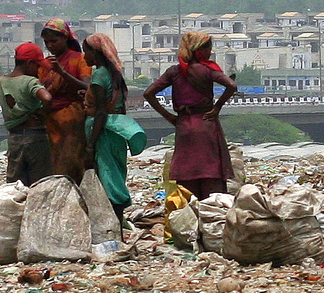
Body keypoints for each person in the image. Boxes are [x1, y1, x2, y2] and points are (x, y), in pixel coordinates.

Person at [144, 31, 237, 200]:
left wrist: (169, 116)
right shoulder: (208, 70)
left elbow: (149, 93)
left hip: (184, 126)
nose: (210, 52)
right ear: (198, 50)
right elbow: (231, 85)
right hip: (206, 124)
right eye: (208, 48)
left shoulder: (175, 71)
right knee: (212, 173)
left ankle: (190, 214)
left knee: (187, 175)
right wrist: (217, 108)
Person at [82, 34, 147, 226]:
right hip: (117, 129)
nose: (84, 57)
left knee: (108, 176)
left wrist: (90, 145)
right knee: (117, 173)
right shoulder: (116, 74)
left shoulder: (100, 75)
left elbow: (101, 112)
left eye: (86, 52)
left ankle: (114, 222)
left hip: (103, 132)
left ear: (95, 53)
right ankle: (118, 220)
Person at [38, 18, 91, 184]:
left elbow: (87, 86)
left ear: (65, 38)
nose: (50, 45)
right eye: (47, 42)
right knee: (54, 163)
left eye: (54, 41)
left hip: (72, 119)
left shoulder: (80, 59)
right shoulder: (45, 63)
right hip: (50, 120)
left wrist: (62, 73)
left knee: (72, 161)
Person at [0, 42, 53, 186]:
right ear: (29, 63)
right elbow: (47, 97)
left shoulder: (1, 82)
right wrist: (42, 112)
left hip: (15, 138)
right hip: (36, 137)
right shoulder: (29, 81)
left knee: (16, 186)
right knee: (41, 184)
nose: (39, 70)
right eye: (38, 66)